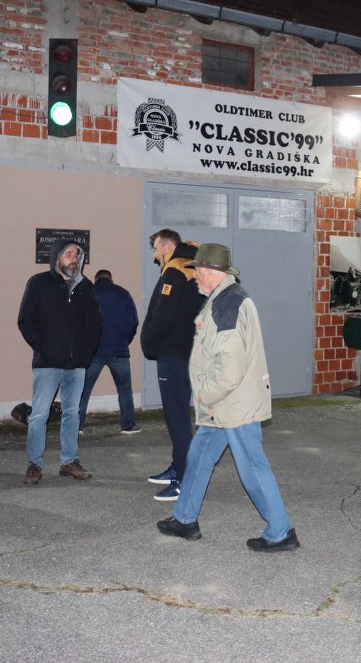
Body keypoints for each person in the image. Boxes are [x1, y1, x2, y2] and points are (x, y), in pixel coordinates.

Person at [156, 243, 299, 552]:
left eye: (197, 271)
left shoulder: (227, 304)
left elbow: (229, 367)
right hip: (224, 404)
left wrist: (204, 395)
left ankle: (280, 531)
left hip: (233, 403)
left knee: (252, 467)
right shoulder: (225, 299)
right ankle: (184, 519)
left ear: (209, 271)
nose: (194, 277)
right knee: (199, 456)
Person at [17, 239, 101, 485]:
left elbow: (95, 323)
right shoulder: (38, 283)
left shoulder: (86, 287)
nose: (74, 258)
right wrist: (43, 348)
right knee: (39, 414)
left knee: (72, 413)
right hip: (47, 364)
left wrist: (87, 352)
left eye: (77, 255)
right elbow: (25, 321)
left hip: (77, 365)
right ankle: (34, 464)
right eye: (68, 254)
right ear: (56, 258)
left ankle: (69, 461)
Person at [140, 229, 204, 502]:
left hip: (174, 354)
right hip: (185, 352)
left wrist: (148, 342)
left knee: (177, 417)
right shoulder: (191, 266)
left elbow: (163, 316)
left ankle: (184, 478)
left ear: (168, 246)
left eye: (156, 249)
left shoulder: (176, 271)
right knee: (178, 415)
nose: (155, 256)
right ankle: (178, 466)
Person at [78, 269, 140, 435]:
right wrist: (124, 340)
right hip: (119, 350)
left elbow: (79, 321)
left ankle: (77, 426)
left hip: (93, 351)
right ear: (111, 279)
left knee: (83, 390)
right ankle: (127, 425)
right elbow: (133, 322)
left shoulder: (88, 293)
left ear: (96, 279)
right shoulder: (123, 294)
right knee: (124, 389)